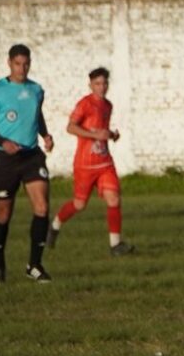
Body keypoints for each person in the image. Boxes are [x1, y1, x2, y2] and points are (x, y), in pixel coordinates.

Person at [0, 43, 55, 282]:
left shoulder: (36, 89)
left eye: (26, 64)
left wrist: (45, 135)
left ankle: (34, 265)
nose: (22, 69)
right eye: (18, 64)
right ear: (9, 63)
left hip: (31, 156)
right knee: (3, 214)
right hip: (5, 159)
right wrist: (2, 141)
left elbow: (36, 114)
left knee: (42, 207)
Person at [47, 67, 134, 257]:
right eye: (97, 84)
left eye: (104, 83)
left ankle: (115, 245)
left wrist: (111, 135)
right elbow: (70, 127)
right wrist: (94, 135)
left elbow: (101, 130)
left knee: (114, 199)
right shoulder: (85, 104)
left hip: (104, 162)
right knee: (79, 204)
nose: (102, 87)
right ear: (90, 85)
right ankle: (55, 225)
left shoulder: (108, 105)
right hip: (85, 164)